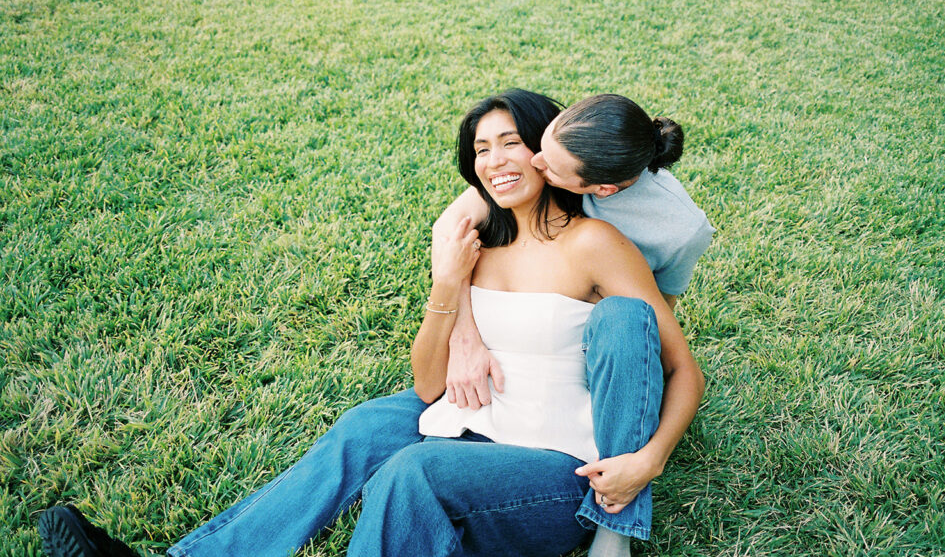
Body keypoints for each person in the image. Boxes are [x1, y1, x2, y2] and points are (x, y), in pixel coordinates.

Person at [38, 90, 705, 557]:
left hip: (558, 471)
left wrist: (645, 461)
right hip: (477, 421)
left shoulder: (595, 244)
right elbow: (428, 386)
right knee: (364, 427)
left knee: (414, 473)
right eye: (481, 148)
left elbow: (676, 366)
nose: (497, 160)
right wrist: (448, 290)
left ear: (544, 153)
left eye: (512, 143)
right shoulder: (473, 239)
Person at [434, 92, 714, 555]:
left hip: (616, 317)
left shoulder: (679, 229)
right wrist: (464, 332)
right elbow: (448, 228)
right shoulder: (586, 133)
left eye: (548, 166)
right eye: (540, 144)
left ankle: (616, 523)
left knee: (624, 320)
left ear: (598, 190)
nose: (534, 161)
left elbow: (665, 342)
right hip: (543, 333)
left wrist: (650, 460)